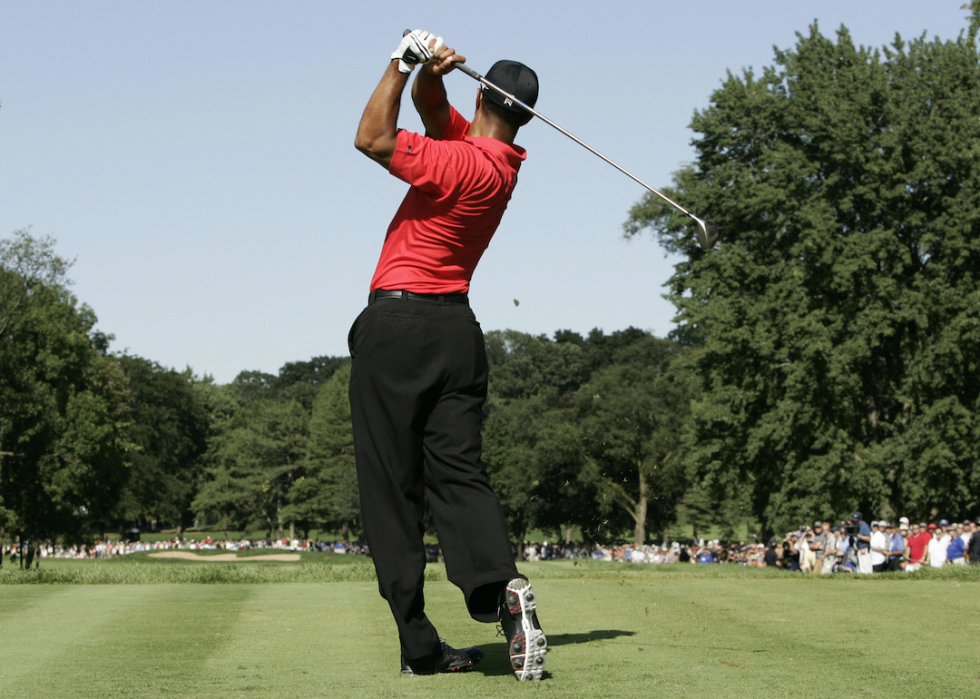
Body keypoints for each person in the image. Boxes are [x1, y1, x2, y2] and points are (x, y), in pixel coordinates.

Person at [350, 30, 546, 680]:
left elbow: (372, 138)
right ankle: (500, 590)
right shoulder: (500, 161)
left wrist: (399, 64)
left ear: (485, 97)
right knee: (458, 474)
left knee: (391, 490)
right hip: (457, 333)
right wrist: (435, 74)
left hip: (399, 326)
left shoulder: (461, 164)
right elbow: (439, 115)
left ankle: (419, 646)